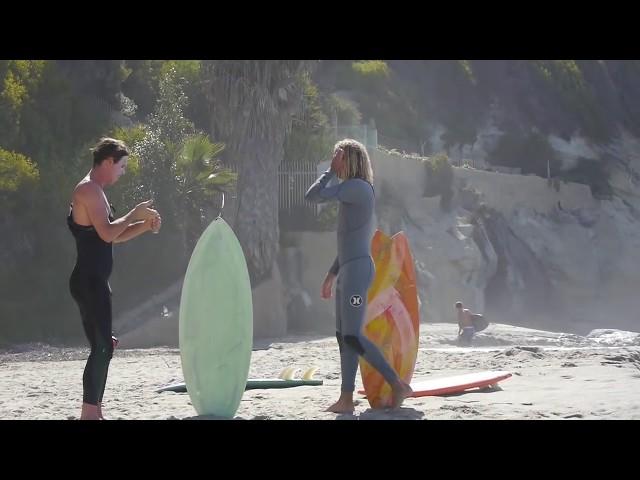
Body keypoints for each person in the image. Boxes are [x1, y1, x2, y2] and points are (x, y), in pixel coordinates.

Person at [305, 139, 413, 413]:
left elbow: (313, 196)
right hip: (348, 269)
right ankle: (345, 399)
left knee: (352, 336)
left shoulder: (358, 188)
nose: (335, 161)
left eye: (338, 157)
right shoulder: (351, 192)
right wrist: (331, 274)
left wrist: (329, 172)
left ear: (349, 160)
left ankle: (397, 383)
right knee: (344, 336)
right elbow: (347, 242)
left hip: (357, 272)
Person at [68, 137, 161, 420]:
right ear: (107, 162)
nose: (123, 171)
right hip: (89, 281)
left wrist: (144, 226)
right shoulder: (88, 190)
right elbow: (108, 232)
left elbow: (113, 237)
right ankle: (89, 414)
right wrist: (135, 212)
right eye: (121, 166)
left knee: (104, 347)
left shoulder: (98, 190)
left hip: (94, 281)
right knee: (103, 347)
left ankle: (94, 411)